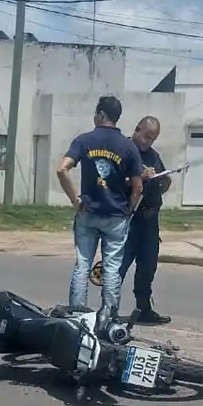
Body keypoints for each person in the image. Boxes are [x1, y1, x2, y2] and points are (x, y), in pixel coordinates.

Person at [57, 95, 143, 312]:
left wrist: (74, 200)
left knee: (82, 266)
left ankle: (77, 315)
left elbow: (62, 169)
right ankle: (109, 316)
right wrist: (128, 210)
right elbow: (138, 187)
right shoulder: (128, 146)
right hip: (115, 216)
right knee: (112, 269)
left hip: (88, 212)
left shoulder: (84, 141)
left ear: (101, 114)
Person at [118, 115, 173, 324]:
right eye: (147, 137)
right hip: (129, 218)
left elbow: (162, 185)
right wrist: (140, 177)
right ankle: (109, 308)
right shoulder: (123, 150)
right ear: (137, 129)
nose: (148, 142)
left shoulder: (153, 155)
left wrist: (164, 180)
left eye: (153, 139)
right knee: (120, 265)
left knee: (148, 264)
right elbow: (115, 181)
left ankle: (144, 307)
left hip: (150, 219)